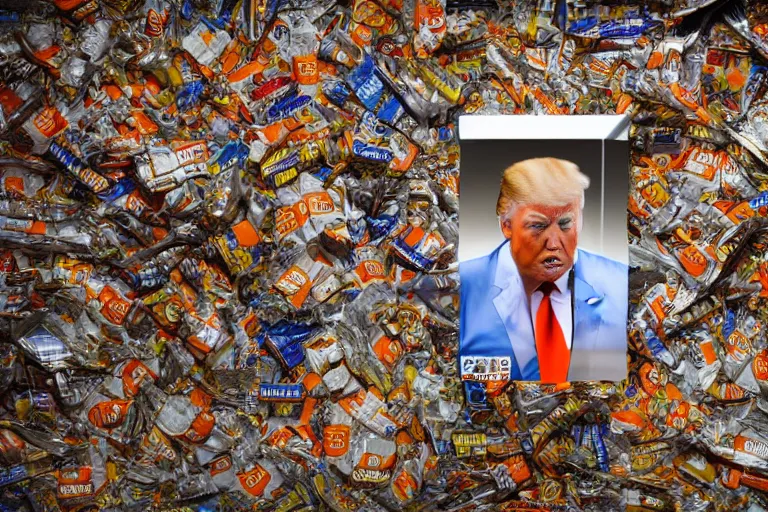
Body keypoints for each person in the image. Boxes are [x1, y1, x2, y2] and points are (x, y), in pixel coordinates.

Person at [459, 157, 628, 383]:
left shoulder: (621, 283)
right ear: (506, 225)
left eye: (566, 223)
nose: (554, 243)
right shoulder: (461, 286)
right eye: (538, 226)